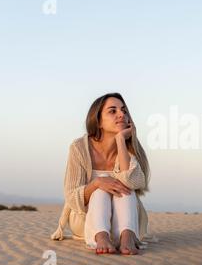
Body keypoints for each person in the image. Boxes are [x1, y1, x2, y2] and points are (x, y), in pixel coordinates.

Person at [51, 93, 151, 255]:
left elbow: (133, 183)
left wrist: (121, 142)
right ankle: (101, 236)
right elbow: (70, 195)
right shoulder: (79, 148)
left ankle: (127, 236)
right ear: (98, 121)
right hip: (85, 220)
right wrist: (97, 183)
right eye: (113, 111)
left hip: (126, 220)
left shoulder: (129, 148)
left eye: (124, 111)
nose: (121, 115)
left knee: (125, 187)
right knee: (101, 188)